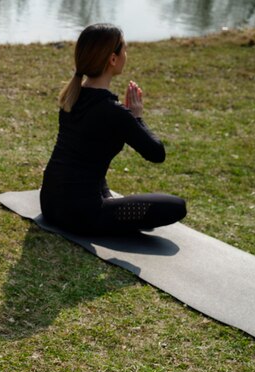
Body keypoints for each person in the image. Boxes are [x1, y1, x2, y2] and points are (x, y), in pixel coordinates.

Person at [40, 23, 186, 235]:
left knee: (89, 163)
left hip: (50, 204)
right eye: (125, 49)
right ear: (113, 59)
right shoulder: (114, 112)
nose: (127, 54)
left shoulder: (71, 98)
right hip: (82, 215)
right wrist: (137, 118)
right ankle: (109, 207)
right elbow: (156, 154)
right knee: (176, 206)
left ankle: (108, 200)